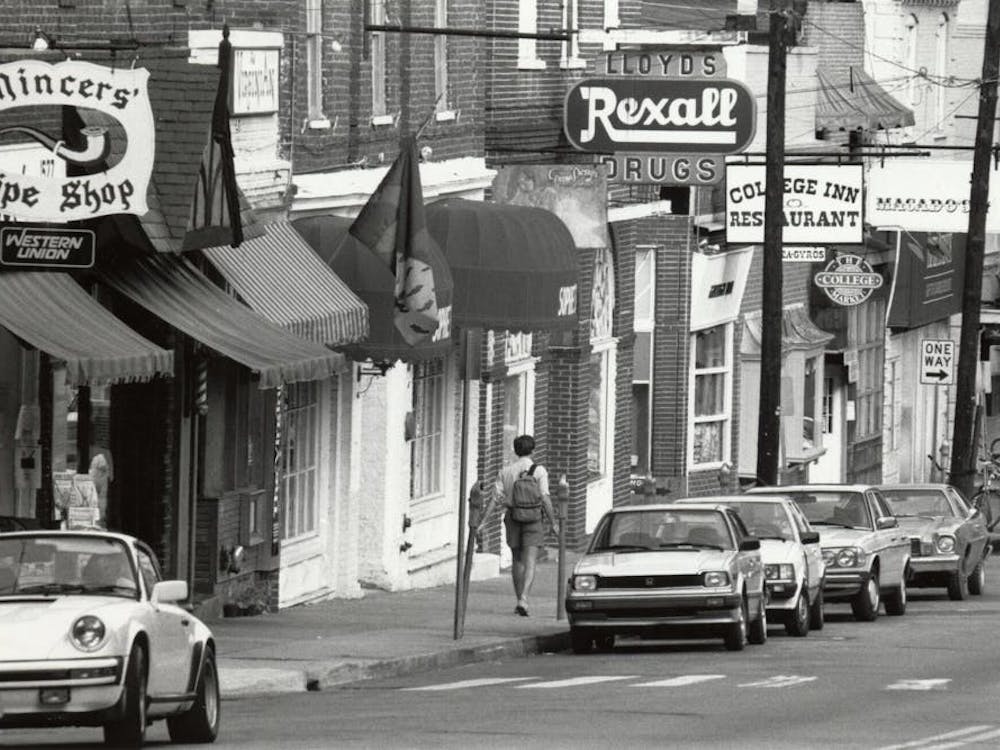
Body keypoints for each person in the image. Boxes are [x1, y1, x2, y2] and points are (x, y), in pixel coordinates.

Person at [483, 434, 558, 617]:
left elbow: (495, 499)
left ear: (515, 451)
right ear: (533, 450)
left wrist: (483, 521)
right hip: (533, 518)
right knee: (530, 560)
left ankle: (519, 600)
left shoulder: (505, 471)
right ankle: (524, 598)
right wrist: (553, 522)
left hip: (513, 517)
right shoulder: (539, 471)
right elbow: (545, 498)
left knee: (517, 559)